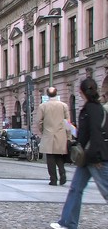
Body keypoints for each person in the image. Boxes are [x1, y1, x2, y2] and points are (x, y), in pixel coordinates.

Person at [50, 78, 108, 229]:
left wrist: (95, 156)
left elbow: (96, 134)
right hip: (88, 157)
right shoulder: (94, 108)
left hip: (95, 158)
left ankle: (68, 222)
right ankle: (68, 222)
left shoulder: (92, 109)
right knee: (75, 189)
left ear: (81, 92)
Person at [37, 87, 71, 186]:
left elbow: (39, 121)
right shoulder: (64, 106)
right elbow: (68, 123)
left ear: (47, 94)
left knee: (50, 157)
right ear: (57, 93)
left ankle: (53, 179)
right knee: (59, 156)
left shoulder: (43, 106)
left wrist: (42, 130)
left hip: (48, 134)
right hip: (61, 134)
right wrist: (68, 136)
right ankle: (62, 173)